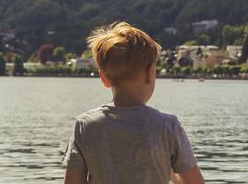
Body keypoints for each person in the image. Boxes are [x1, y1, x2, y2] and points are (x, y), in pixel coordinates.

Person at [62, 22, 204, 184]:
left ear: (103, 78)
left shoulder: (85, 126)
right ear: (150, 73)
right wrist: (171, 172)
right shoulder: (167, 126)